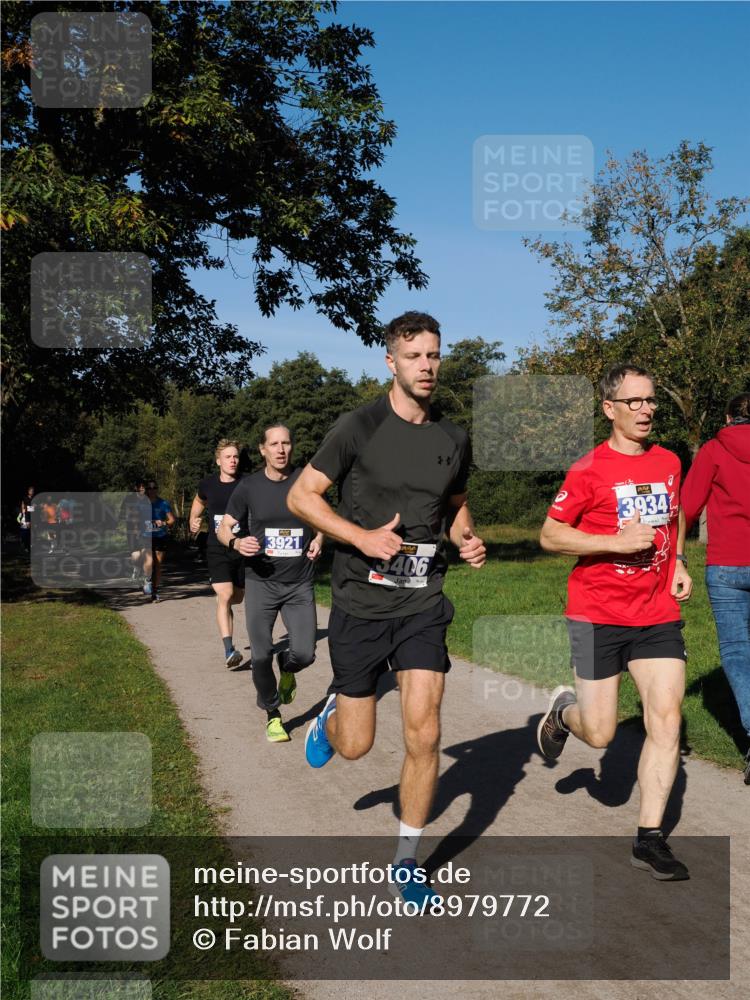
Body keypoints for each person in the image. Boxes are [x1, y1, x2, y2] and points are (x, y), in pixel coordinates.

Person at [287, 311, 486, 907]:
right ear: (390, 362)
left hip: (423, 603)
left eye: (433, 355)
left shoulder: (452, 437)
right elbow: (302, 496)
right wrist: (359, 537)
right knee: (356, 746)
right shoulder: (358, 427)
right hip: (359, 603)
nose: (426, 366)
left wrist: (466, 537)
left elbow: (454, 505)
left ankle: (406, 860)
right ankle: (332, 713)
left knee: (425, 733)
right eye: (414, 356)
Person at [537, 363, 693, 881]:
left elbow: (677, 516)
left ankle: (649, 839)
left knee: (666, 717)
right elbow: (551, 536)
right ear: (610, 408)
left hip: (655, 613)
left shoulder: (670, 461)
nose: (646, 410)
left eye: (651, 401)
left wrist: (679, 563)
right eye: (635, 402)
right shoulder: (588, 470)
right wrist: (614, 542)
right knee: (601, 734)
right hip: (597, 613)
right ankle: (564, 714)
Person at [218, 425, 324, 743]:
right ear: (263, 449)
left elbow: (323, 519)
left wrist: (319, 538)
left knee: (305, 653)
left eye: (286, 443)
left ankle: (287, 665)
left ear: (292, 446)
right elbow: (224, 527)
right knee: (260, 655)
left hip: (299, 583)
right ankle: (272, 713)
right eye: (273, 444)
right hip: (261, 582)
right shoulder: (249, 487)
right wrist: (236, 544)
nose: (280, 449)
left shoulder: (307, 481)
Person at [681, 392, 750, 784]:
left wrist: (673, 556)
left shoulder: (713, 449)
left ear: (727, 418)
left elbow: (687, 507)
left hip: (727, 564)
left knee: (738, 654)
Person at [189, 440, 246, 668]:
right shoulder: (208, 484)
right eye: (228, 457)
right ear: (218, 461)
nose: (233, 460)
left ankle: (226, 601)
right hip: (216, 548)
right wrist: (193, 519)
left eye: (235, 457)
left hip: (241, 547)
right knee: (225, 594)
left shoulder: (247, 483)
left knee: (237, 597)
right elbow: (198, 500)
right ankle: (229, 650)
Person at [141, 480, 175, 602]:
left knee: (158, 565)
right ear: (146, 490)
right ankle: (147, 580)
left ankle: (155, 592)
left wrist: (164, 522)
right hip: (146, 536)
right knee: (149, 562)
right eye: (150, 488)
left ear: (157, 489)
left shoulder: (163, 503)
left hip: (160, 536)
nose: (152, 490)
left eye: (154, 488)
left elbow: (172, 520)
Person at [119, 481, 147, 582]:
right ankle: (137, 570)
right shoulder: (129, 499)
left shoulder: (147, 499)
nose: (142, 489)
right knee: (135, 552)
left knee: (144, 550)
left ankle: (144, 573)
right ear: (136, 488)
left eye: (144, 487)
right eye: (140, 487)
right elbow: (123, 514)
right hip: (131, 529)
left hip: (145, 529)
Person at [17, 485, 35, 554]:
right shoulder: (25, 498)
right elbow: (23, 505)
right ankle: (26, 546)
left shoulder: (34, 498)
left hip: (32, 516)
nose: (32, 492)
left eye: (33, 491)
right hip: (27, 517)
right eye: (31, 491)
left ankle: (28, 546)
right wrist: (22, 510)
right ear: (28, 491)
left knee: (31, 532)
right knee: (27, 532)